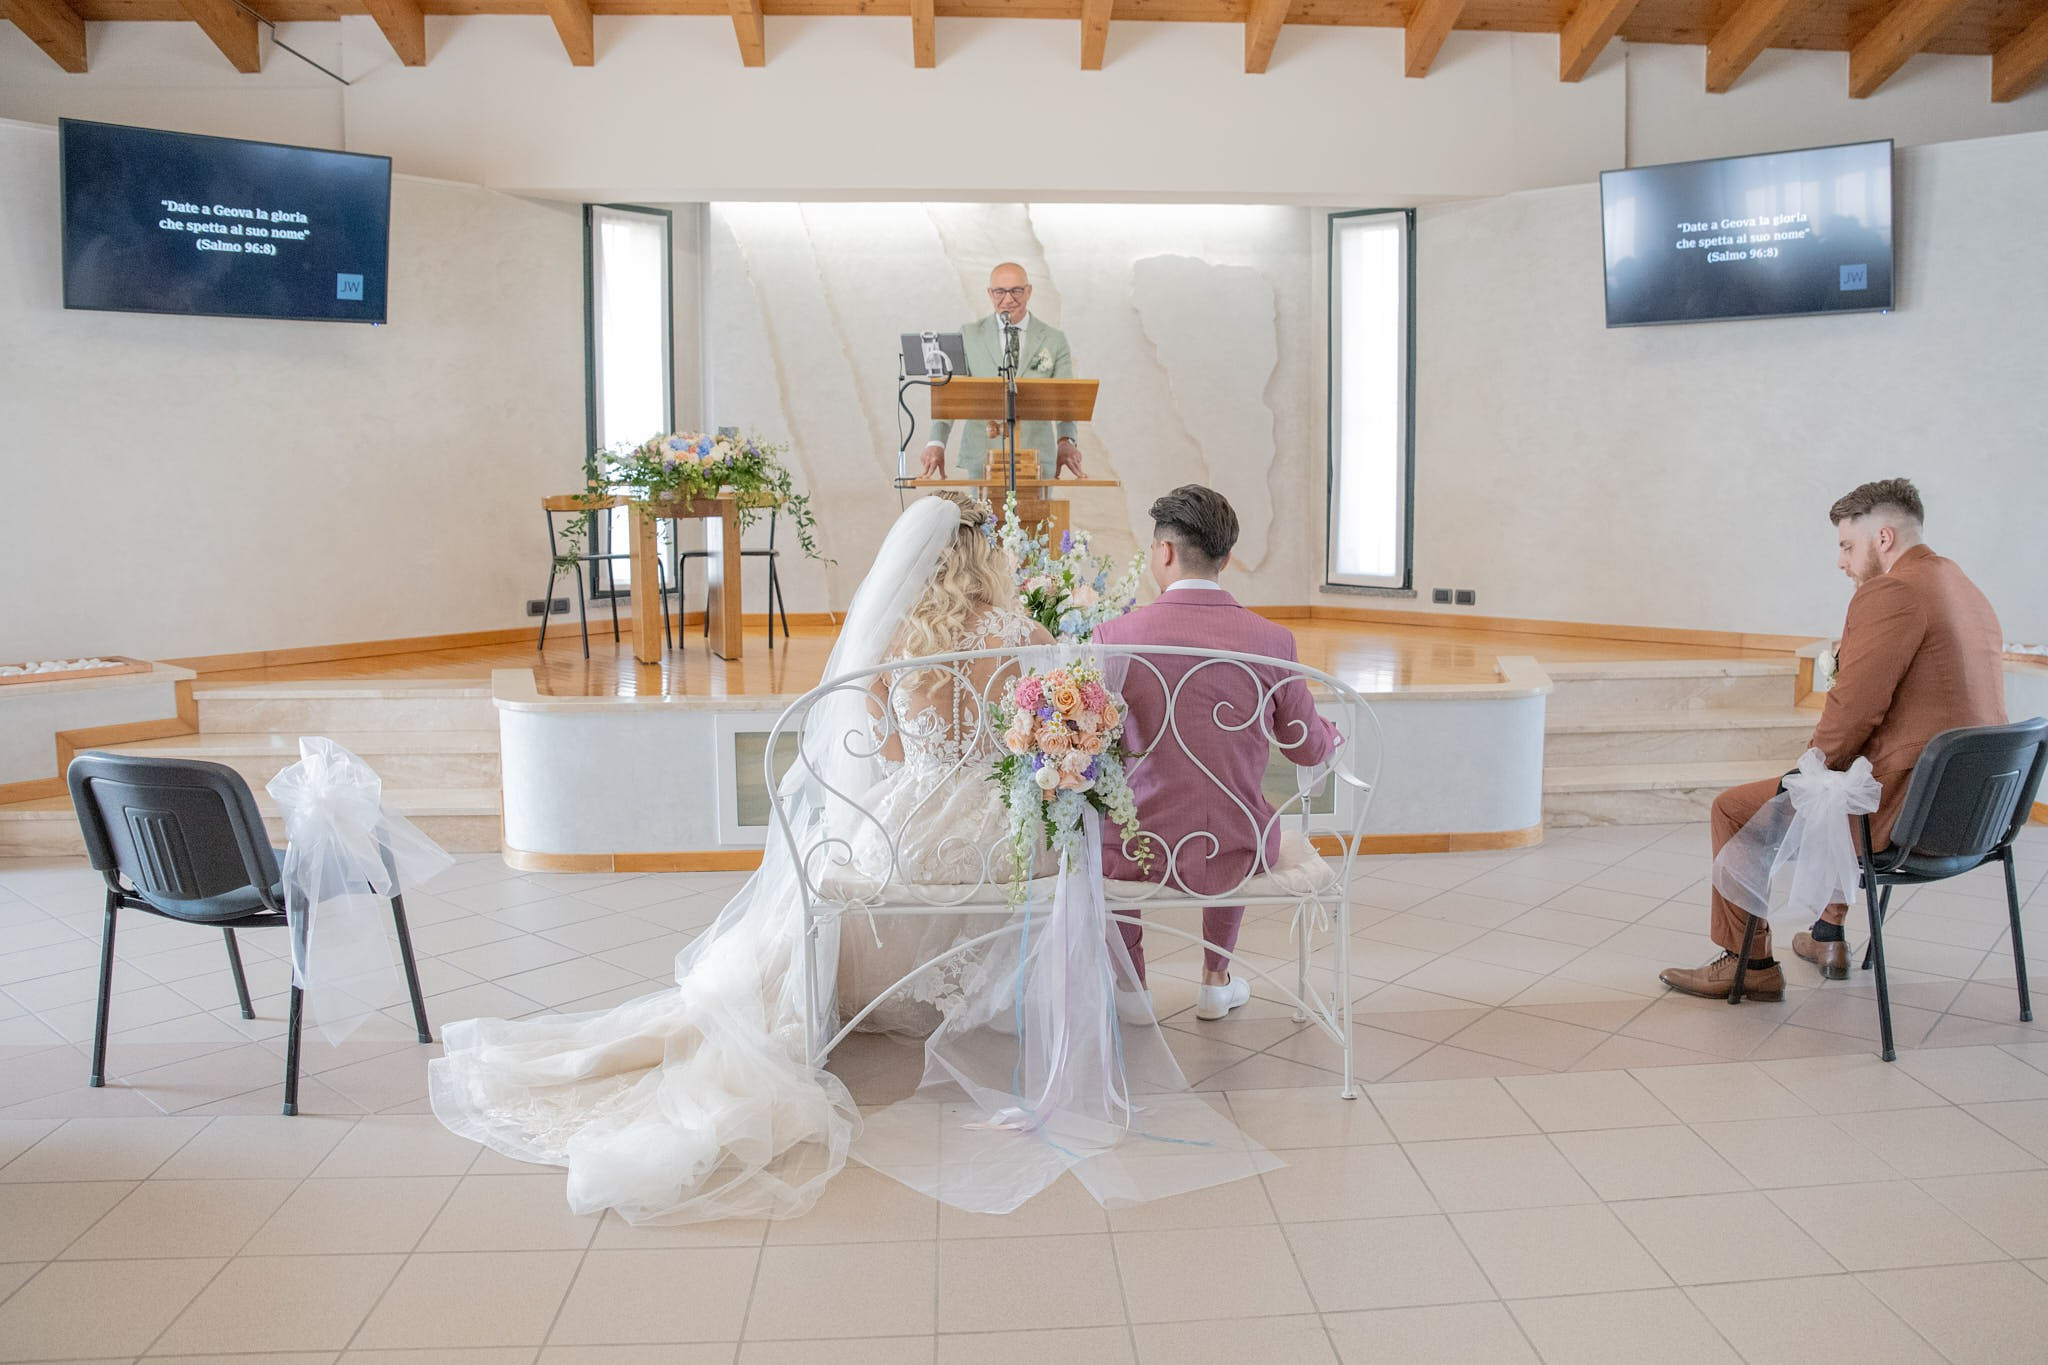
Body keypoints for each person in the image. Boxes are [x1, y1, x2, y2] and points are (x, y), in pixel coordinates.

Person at [428, 494, 1059, 1222]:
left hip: (910, 835)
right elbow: (1034, 743)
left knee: (826, 878)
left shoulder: (899, 641)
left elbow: (885, 754)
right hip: (1001, 839)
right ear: (989, 558)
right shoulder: (1027, 632)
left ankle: (811, 1002)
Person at [1660, 478, 2006, 1001]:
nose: (1842, 562)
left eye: (1847, 546)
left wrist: (1808, 767)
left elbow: (1853, 712)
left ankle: (1747, 962)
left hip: (1910, 813)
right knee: (1839, 786)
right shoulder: (1963, 586)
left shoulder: (1892, 591)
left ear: (1883, 538)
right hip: (1977, 815)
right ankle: (1828, 936)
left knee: (1740, 808)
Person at [1091, 485, 1341, 1022]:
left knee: (1110, 821)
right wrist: (1328, 733)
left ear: (1163, 551)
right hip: (1238, 842)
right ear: (1227, 558)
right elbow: (1306, 749)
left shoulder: (1115, 636)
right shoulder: (1273, 640)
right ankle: (1215, 980)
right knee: (1237, 804)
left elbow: (1090, 745)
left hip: (1140, 846)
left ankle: (1132, 990)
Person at [920, 262, 1085, 480]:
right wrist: (936, 442)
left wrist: (1066, 441)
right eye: (1000, 292)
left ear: (1029, 291)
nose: (1008, 299)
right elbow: (951, 395)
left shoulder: (1053, 340)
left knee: (1040, 516)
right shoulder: (968, 335)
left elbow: (1065, 400)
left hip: (1036, 456)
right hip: (982, 454)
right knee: (983, 516)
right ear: (990, 293)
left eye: (1016, 290)